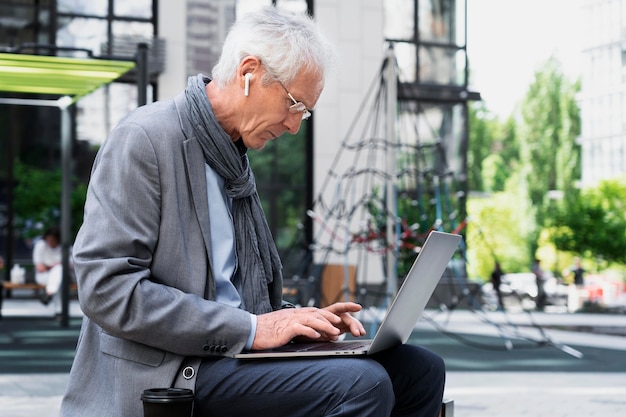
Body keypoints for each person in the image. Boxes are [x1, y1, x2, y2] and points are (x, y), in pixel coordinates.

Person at [59, 7, 445, 417]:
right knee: (359, 386)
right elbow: (106, 289)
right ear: (248, 72)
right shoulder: (145, 140)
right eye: (294, 104)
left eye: (305, 112)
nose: (295, 126)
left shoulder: (232, 160)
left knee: (419, 370)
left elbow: (234, 291)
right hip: (174, 368)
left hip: (230, 353)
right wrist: (254, 328)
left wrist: (298, 321)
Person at [32, 226, 62, 307]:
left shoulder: (64, 248)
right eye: (49, 239)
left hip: (58, 276)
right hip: (44, 276)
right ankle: (59, 311)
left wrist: (49, 266)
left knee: (58, 272)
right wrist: (56, 264)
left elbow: (70, 265)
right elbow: (40, 268)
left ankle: (50, 294)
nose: (50, 242)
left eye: (53, 240)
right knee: (58, 277)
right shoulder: (41, 245)